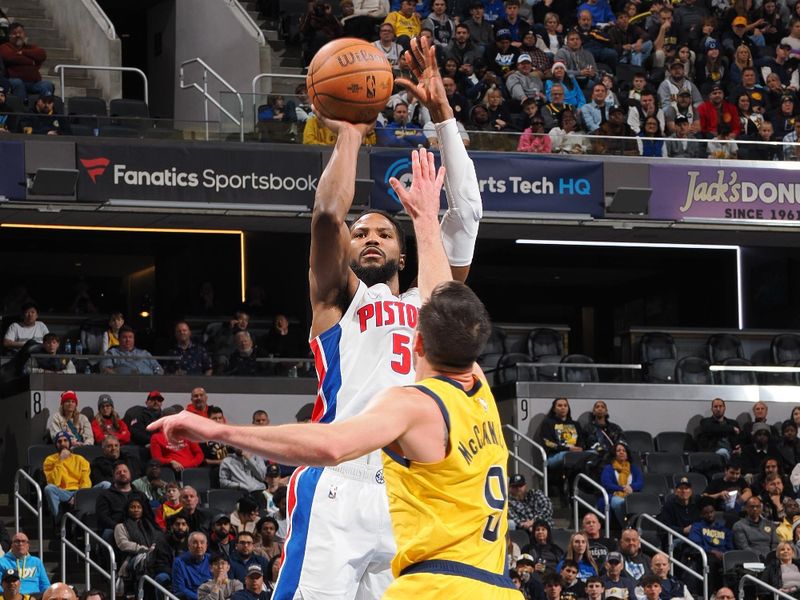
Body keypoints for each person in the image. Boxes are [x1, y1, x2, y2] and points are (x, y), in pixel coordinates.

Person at [147, 272, 518, 600]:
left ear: (416, 344)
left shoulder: (414, 403)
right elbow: (445, 294)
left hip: (437, 586)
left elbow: (331, 444)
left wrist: (214, 429)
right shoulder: (482, 398)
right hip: (495, 583)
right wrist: (424, 221)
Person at [42, 432, 91, 522]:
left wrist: (78, 496)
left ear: (69, 442)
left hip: (79, 491)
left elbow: (85, 481)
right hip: (63, 493)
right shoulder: (50, 460)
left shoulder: (80, 459)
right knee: (49, 489)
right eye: (59, 441)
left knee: (105, 484)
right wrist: (60, 460)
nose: (63, 444)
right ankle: (59, 521)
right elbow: (54, 483)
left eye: (65, 440)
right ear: (56, 444)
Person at [96, 463, 151, 540]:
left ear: (130, 474)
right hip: (115, 529)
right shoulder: (105, 495)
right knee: (108, 533)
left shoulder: (140, 495)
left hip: (139, 527)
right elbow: (103, 518)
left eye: (125, 471)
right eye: (118, 472)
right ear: (114, 477)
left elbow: (148, 515)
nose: (122, 473)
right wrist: (119, 527)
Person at [114, 497, 160, 591]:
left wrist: (153, 548)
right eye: (132, 507)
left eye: (139, 507)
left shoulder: (149, 525)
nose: (136, 509)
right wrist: (142, 549)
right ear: (127, 509)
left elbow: (158, 538)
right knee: (144, 562)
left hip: (152, 554)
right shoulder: (120, 526)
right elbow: (123, 544)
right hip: (131, 558)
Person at [0, 24, 54, 101]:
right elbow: (10, 57)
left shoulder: (31, 47)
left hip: (34, 83)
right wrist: (32, 61)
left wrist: (23, 52)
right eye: (14, 33)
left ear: (24, 34)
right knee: (17, 82)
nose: (18, 35)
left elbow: (42, 54)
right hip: (14, 81)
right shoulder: (4, 47)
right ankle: (21, 109)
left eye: (20, 32)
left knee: (47, 84)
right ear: (9, 36)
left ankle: (45, 109)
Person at [687, 499, 732, 591]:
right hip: (706, 556)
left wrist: (724, 554)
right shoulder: (697, 527)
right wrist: (712, 551)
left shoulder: (724, 530)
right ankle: (710, 594)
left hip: (723, 556)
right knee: (711, 562)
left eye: (711, 512)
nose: (710, 515)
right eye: (706, 513)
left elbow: (730, 547)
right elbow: (695, 544)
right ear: (701, 515)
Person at [600, 443, 643, 526]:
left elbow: (640, 482)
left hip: (632, 495)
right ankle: (626, 527)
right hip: (614, 495)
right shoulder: (608, 468)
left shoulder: (633, 468)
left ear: (627, 454)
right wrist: (622, 488)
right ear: (614, 454)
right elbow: (607, 484)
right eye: (618, 450)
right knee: (620, 503)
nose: (621, 452)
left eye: (624, 451)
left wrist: (631, 487)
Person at [150, 513, 190, 587]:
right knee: (161, 578)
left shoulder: (192, 542)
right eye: (177, 524)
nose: (180, 527)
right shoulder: (163, 542)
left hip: (189, 574)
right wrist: (178, 575)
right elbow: (161, 566)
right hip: (170, 573)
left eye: (183, 524)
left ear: (188, 527)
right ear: (172, 527)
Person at [173, 531, 212, 600]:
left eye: (202, 543)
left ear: (206, 546)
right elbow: (180, 589)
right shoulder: (179, 562)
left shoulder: (212, 560)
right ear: (189, 546)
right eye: (195, 543)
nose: (199, 546)